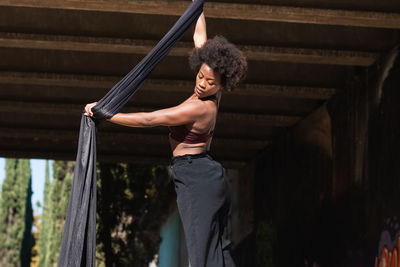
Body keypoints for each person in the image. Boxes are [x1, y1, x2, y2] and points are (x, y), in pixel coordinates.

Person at [84, 5, 247, 266]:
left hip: (196, 177)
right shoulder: (213, 90)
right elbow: (200, 39)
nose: (202, 83)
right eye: (200, 75)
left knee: (201, 255)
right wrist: (198, 8)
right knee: (219, 250)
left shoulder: (198, 108)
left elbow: (151, 118)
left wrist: (105, 114)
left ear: (222, 84)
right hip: (208, 174)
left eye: (210, 82)